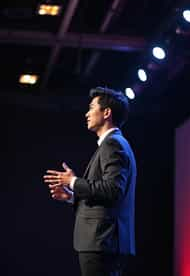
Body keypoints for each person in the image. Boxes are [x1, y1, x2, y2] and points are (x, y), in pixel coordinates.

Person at [43, 87, 137, 276]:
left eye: (91, 107)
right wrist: (71, 197)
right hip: (104, 242)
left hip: (102, 241)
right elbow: (105, 196)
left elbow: (112, 191)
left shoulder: (113, 144)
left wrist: (73, 181)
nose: (86, 113)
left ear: (107, 112)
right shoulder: (114, 144)